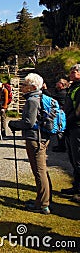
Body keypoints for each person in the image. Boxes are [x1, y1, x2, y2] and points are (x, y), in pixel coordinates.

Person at [8, 73, 52, 215]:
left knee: (39, 171)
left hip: (35, 139)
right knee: (41, 170)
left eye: (25, 85)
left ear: (32, 87)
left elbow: (29, 122)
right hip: (40, 138)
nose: (22, 87)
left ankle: (43, 204)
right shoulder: (38, 98)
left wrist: (14, 124)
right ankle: (41, 200)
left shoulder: (32, 101)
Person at [61, 64, 80, 203]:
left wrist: (67, 120)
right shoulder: (73, 87)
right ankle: (76, 185)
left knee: (79, 159)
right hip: (70, 127)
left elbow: (78, 111)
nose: (71, 74)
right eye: (71, 72)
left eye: (74, 72)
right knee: (73, 158)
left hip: (77, 127)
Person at [52, 78, 69, 152]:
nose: (56, 84)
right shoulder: (61, 92)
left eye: (58, 83)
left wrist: (45, 90)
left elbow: (52, 97)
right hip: (61, 112)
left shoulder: (62, 93)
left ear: (62, 85)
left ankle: (62, 147)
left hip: (61, 113)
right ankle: (61, 145)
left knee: (60, 129)